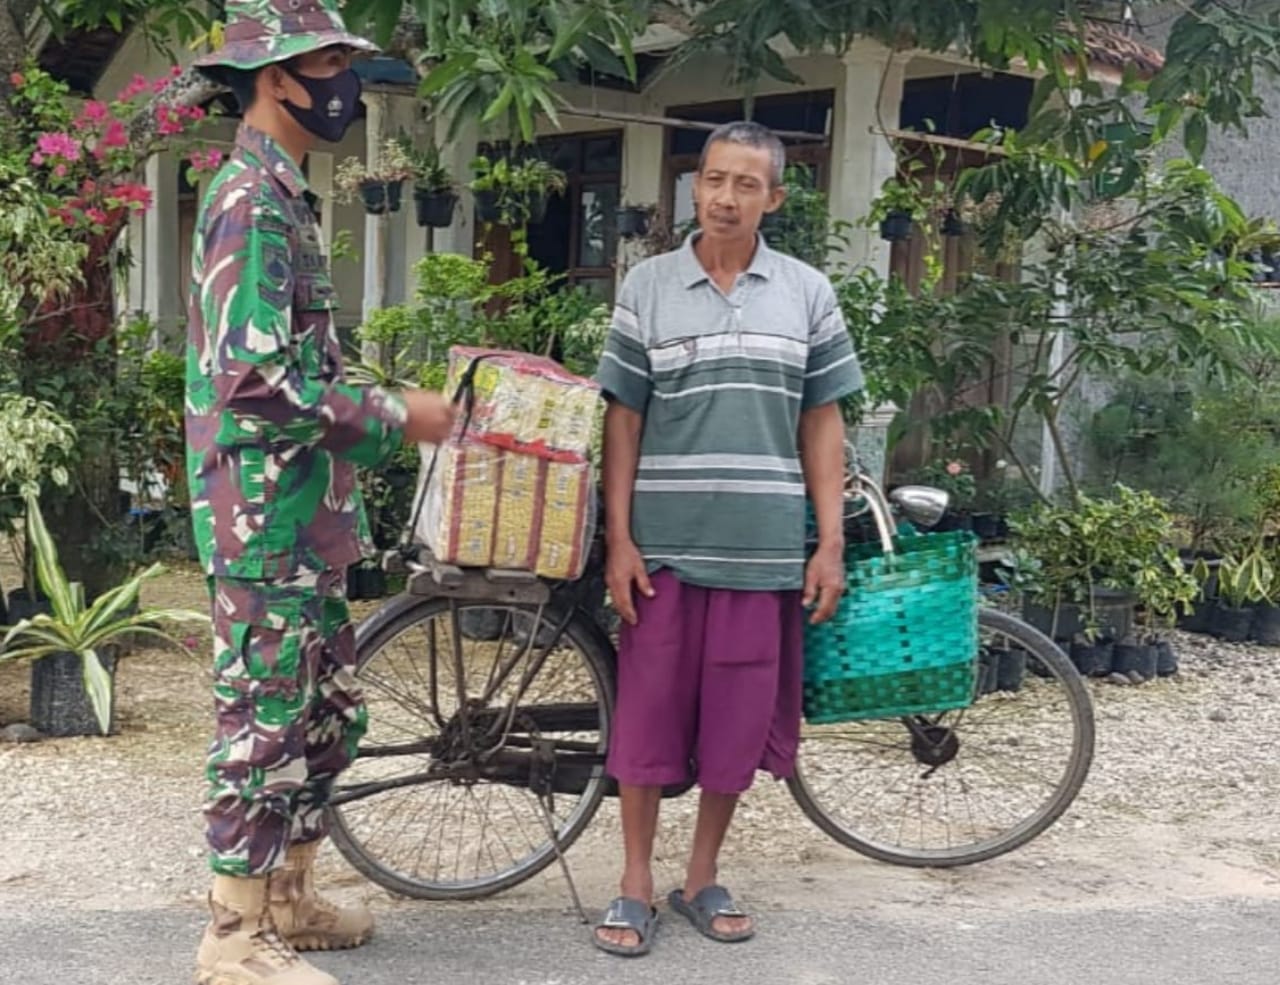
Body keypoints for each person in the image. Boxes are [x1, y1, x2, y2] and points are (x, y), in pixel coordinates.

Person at [185, 3, 454, 983]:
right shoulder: (249, 199)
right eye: (332, 62)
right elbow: (253, 380)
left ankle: (288, 896)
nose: (347, 81)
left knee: (324, 711)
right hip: (261, 520)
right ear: (276, 77)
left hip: (307, 514)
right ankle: (229, 938)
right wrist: (395, 414)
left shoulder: (286, 194)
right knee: (260, 721)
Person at [592, 120, 863, 956]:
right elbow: (623, 421)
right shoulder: (648, 286)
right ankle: (635, 879)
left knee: (735, 726)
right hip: (666, 546)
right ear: (693, 188)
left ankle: (700, 873)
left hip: (763, 549)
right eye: (713, 179)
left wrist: (828, 542)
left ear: (774, 197)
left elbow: (824, 423)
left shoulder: (807, 292)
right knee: (646, 717)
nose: (725, 198)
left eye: (747, 184)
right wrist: (619, 538)